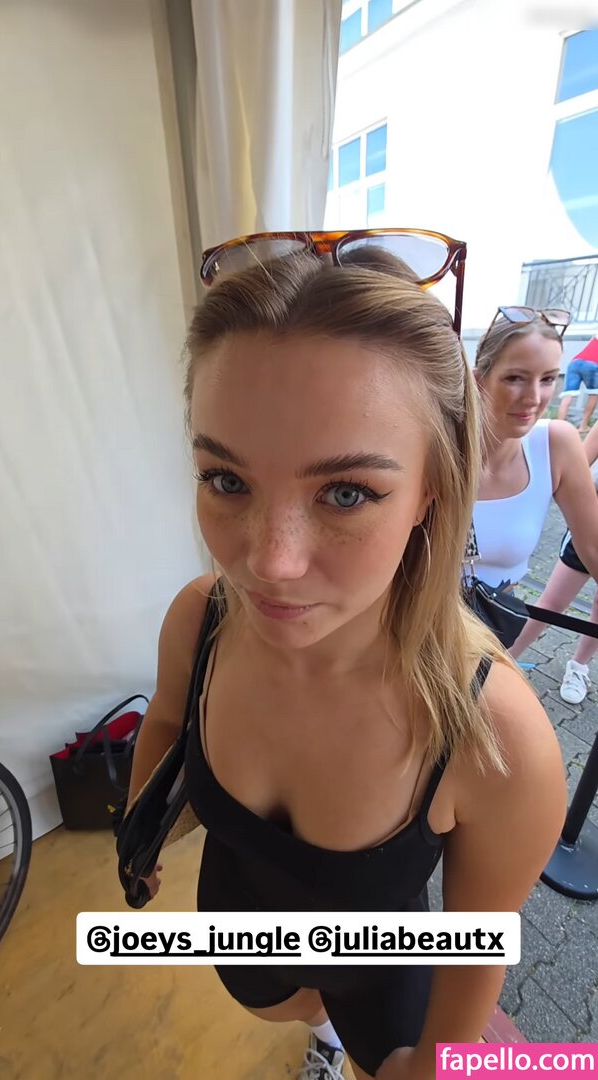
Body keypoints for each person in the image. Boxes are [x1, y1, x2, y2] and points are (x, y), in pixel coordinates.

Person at [127, 242, 565, 1080]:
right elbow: (170, 718)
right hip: (242, 944)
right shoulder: (200, 621)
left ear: (432, 489)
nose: (269, 563)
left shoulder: (496, 740)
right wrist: (143, 825)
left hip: (381, 985)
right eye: (226, 480)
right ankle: (317, 1029)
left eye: (347, 492)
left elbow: (478, 946)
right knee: (293, 1008)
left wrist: (436, 1065)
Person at [472, 308, 598, 615]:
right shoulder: (434, 445)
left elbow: (593, 548)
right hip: (406, 623)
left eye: (548, 379)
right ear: (478, 380)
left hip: (493, 625)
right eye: (515, 378)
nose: (533, 397)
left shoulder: (556, 444)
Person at [510, 422, 598, 703]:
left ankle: (579, 666)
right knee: (552, 602)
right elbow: (578, 464)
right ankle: (506, 659)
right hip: (591, 526)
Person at [557, 335, 598, 434]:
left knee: (567, 395)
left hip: (575, 362)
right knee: (594, 394)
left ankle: (558, 426)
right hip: (593, 363)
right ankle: (583, 426)